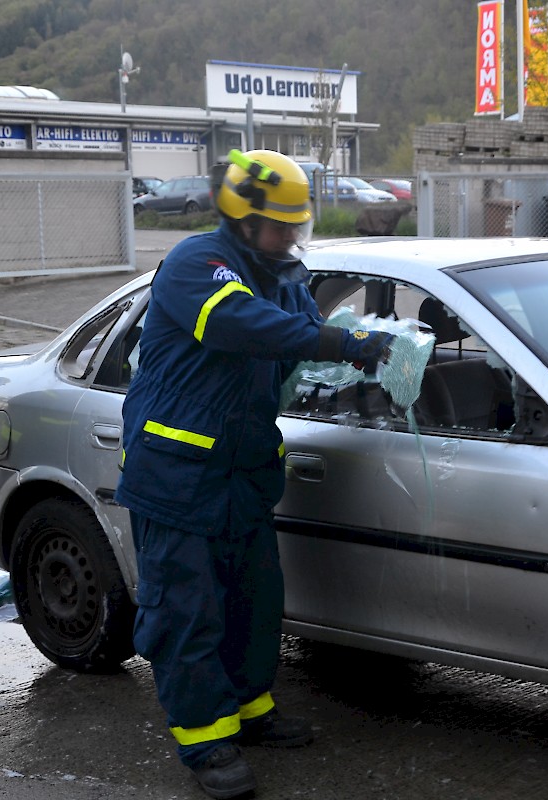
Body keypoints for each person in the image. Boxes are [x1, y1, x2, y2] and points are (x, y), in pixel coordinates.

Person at [116, 149, 392, 798]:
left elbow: (302, 343)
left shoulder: (284, 275)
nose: (292, 235)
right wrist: (337, 344)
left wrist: (368, 354)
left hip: (242, 475)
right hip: (175, 477)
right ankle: (205, 742)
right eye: (279, 225)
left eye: (299, 223)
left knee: (254, 602)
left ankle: (248, 709)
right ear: (241, 221)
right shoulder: (196, 264)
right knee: (188, 612)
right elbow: (241, 324)